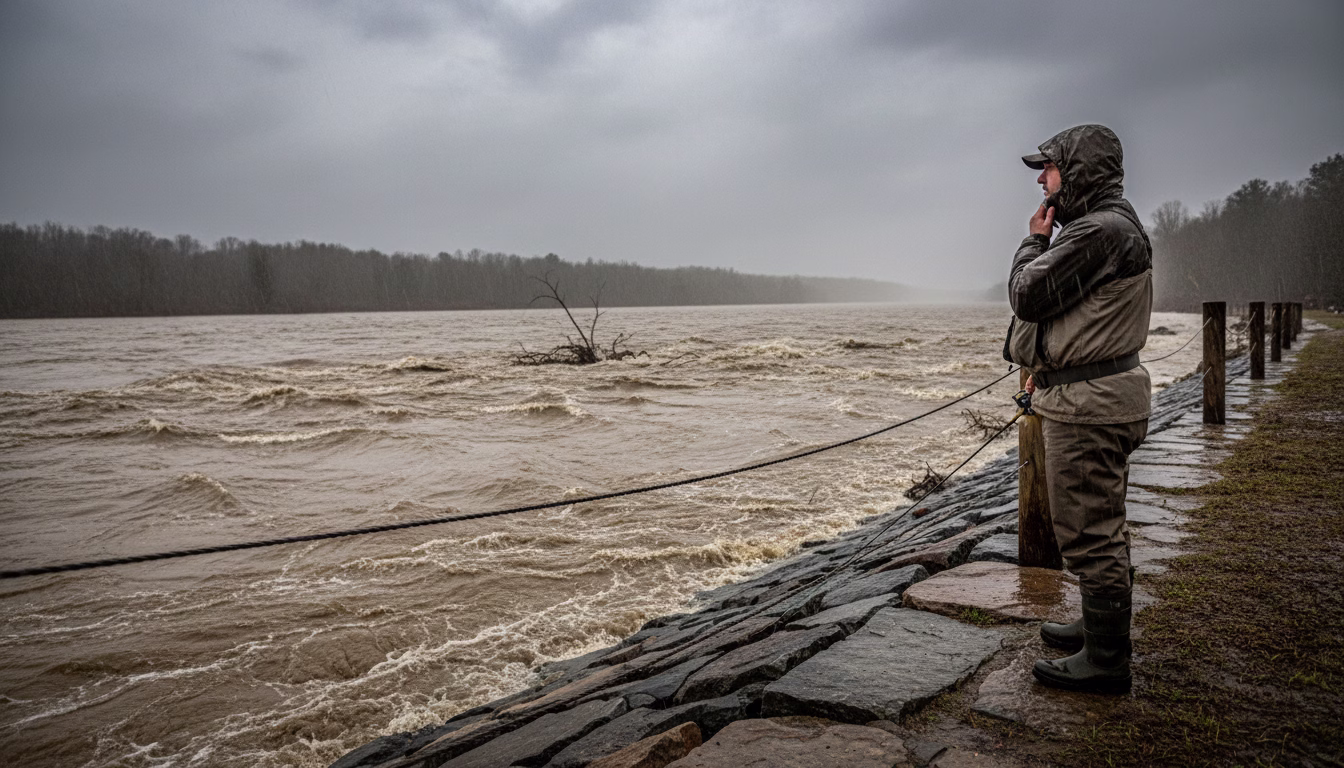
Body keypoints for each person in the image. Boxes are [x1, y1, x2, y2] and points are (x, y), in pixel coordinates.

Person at [1003, 124, 1153, 695]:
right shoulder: (1109, 226)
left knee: (1090, 530)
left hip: (1091, 405)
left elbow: (1028, 294)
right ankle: (1097, 626)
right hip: (1099, 395)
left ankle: (1108, 659)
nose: (1041, 180)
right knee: (1099, 520)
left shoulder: (1098, 231)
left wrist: (1033, 242)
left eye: (1049, 167)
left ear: (1079, 171)